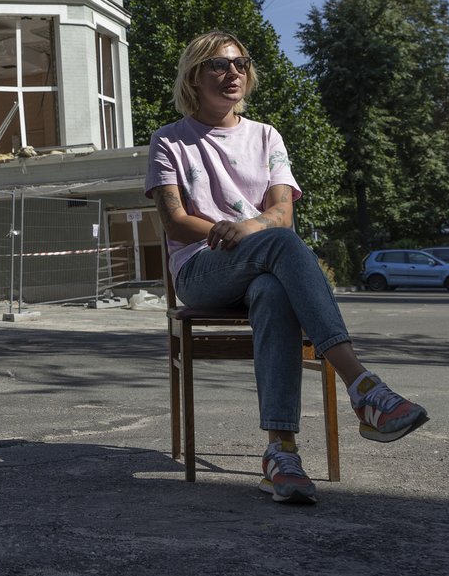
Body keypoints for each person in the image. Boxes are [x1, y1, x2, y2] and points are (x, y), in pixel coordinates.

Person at [145, 31, 428, 505]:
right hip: (201, 272)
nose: (232, 73)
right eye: (218, 65)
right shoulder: (170, 140)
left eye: (240, 64)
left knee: (274, 291)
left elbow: (282, 212)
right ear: (194, 77)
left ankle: (282, 454)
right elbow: (175, 220)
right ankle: (362, 387)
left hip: (262, 261)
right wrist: (228, 230)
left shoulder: (266, 136)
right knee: (279, 242)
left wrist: (249, 228)